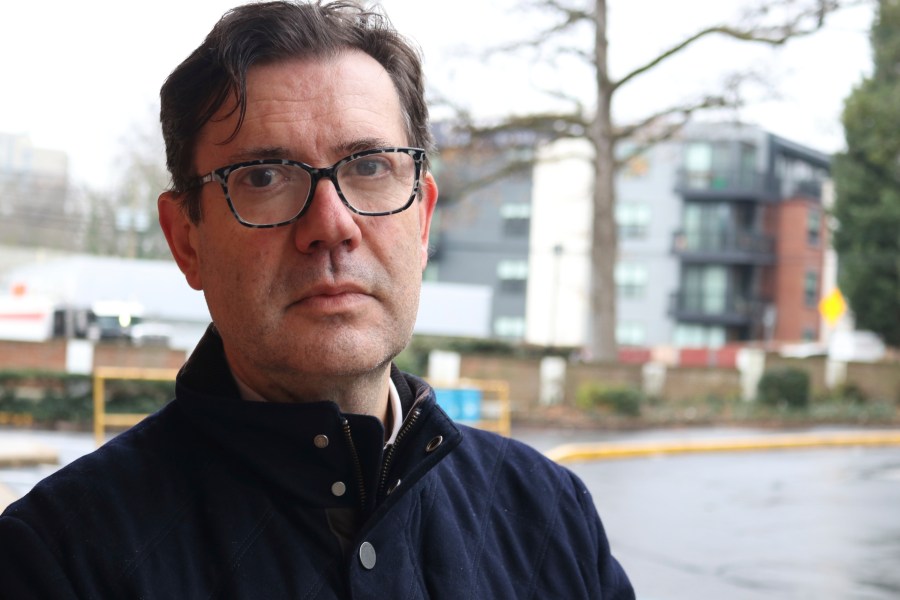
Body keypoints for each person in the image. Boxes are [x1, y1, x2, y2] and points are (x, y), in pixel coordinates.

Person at [0, 2, 634, 598]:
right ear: (185, 239)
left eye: (369, 166)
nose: (331, 224)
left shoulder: (549, 516)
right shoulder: (58, 559)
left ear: (422, 222)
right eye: (265, 177)